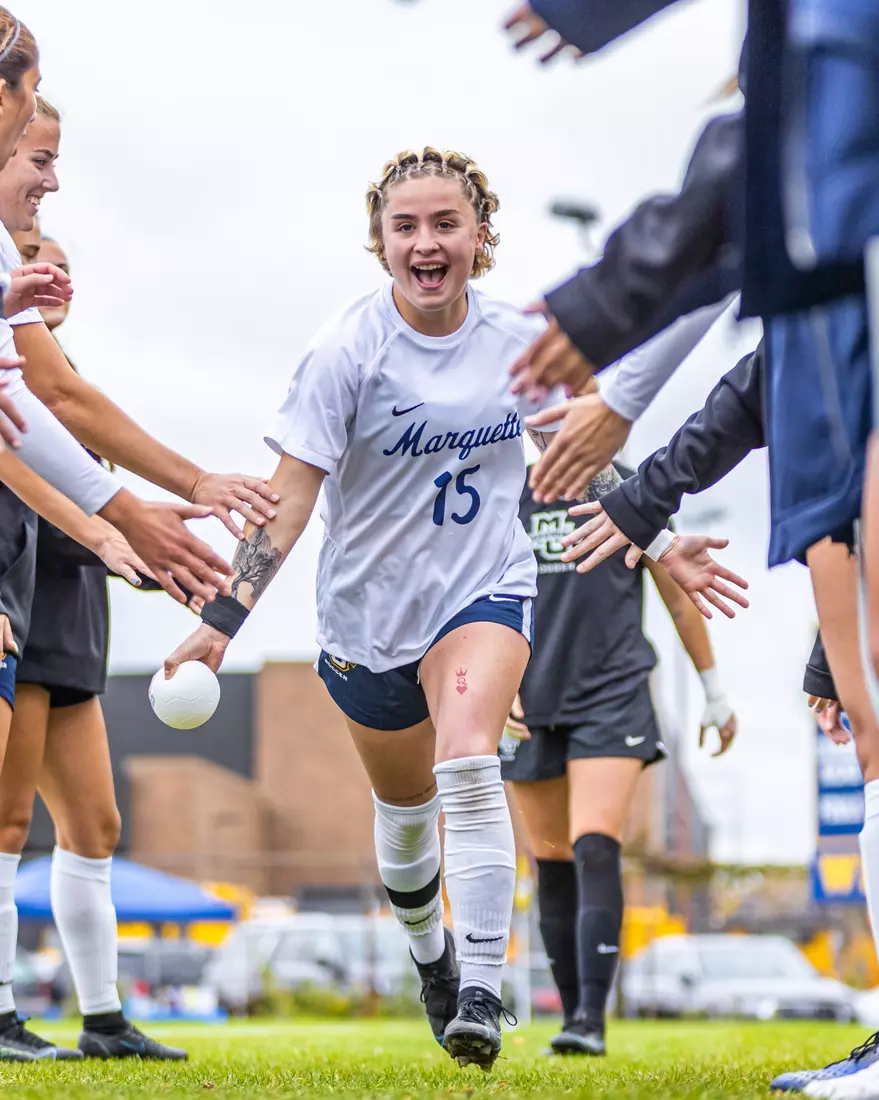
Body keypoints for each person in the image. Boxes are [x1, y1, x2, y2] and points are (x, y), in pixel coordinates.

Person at [0, 229, 187, 1061]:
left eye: (63, 270)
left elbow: (98, 512)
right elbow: (48, 508)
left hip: (78, 627)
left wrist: (150, 556)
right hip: (23, 612)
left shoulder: (67, 383)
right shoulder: (22, 386)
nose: (53, 279)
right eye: (37, 263)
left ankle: (104, 1019)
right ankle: (3, 1014)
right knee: (6, 823)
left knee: (98, 824)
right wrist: (133, 544)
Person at [502, 461, 735, 1057]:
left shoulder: (628, 488)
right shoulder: (505, 489)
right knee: (549, 863)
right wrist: (490, 689)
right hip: (529, 699)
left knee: (595, 844)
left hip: (613, 690)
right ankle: (572, 1015)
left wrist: (713, 691)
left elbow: (679, 593)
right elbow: (471, 595)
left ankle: (589, 1020)